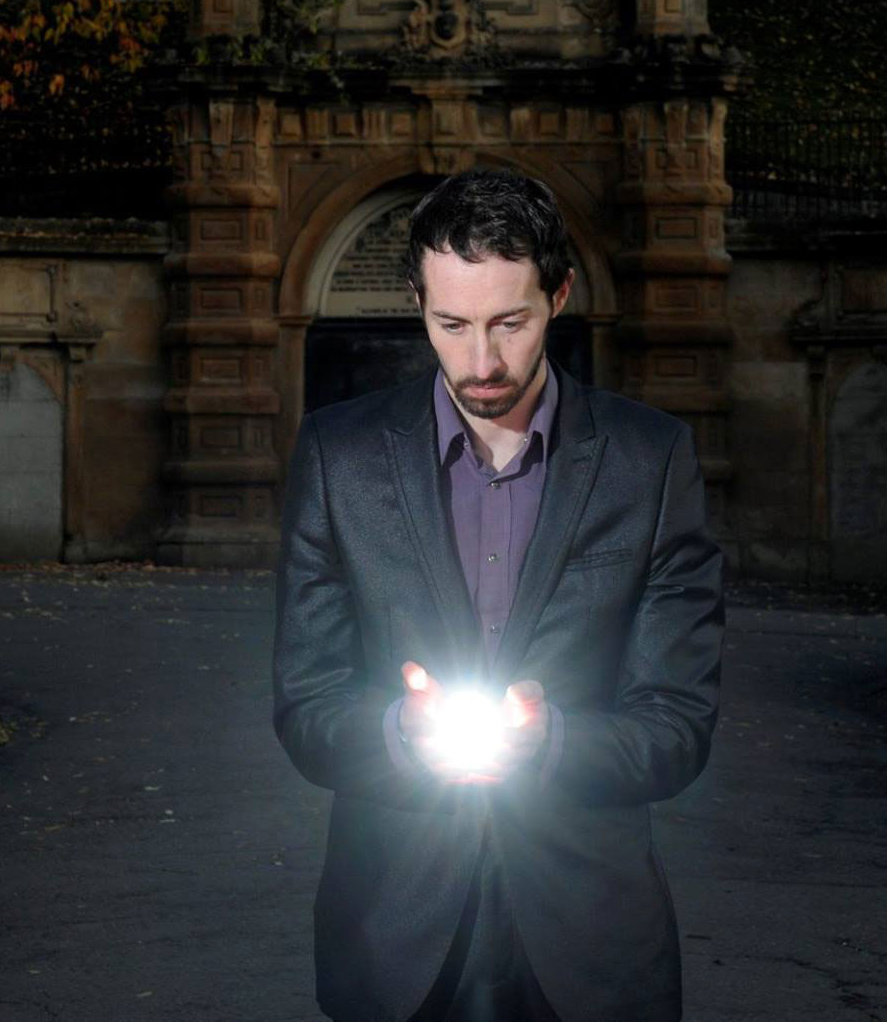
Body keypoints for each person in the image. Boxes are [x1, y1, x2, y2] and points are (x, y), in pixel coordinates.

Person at [273, 167, 725, 1022]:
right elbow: (305, 706)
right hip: (391, 937)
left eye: (510, 323)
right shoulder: (339, 456)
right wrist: (397, 734)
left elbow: (678, 724)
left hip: (592, 946)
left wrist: (551, 744)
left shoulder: (651, 459)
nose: (481, 362)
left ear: (560, 296)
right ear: (418, 303)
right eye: (452, 324)